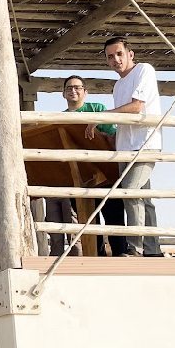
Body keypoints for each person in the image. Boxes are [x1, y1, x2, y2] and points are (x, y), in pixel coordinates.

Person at [98, 37, 163, 257]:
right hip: (125, 147)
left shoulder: (144, 70)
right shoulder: (118, 86)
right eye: (110, 57)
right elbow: (123, 118)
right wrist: (109, 136)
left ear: (130, 54)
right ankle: (153, 250)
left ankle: (135, 248)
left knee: (130, 191)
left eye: (119, 54)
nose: (115, 59)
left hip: (145, 144)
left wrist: (101, 116)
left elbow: (137, 107)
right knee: (144, 199)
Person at [46, 79, 125, 257]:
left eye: (77, 87)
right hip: (79, 178)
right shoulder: (59, 118)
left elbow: (112, 138)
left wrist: (99, 135)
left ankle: (121, 254)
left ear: (85, 92)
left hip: (106, 173)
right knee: (88, 222)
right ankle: (96, 258)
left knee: (114, 217)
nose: (73, 91)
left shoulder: (97, 108)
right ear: (63, 93)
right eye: (69, 88)